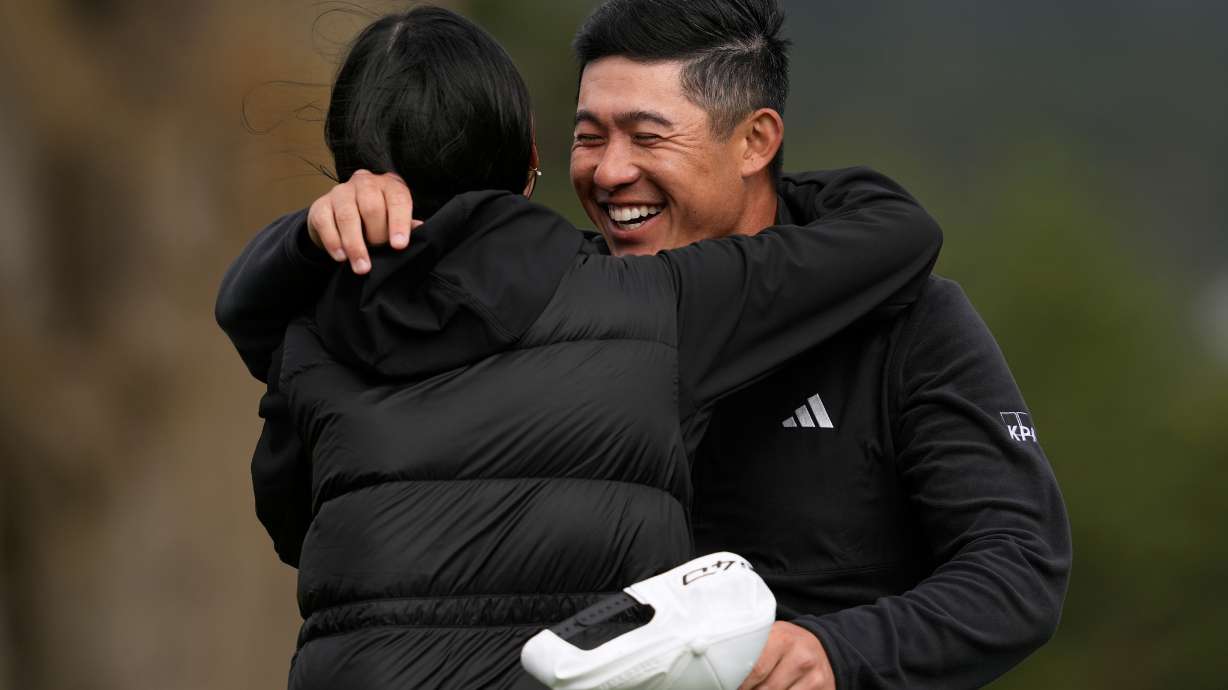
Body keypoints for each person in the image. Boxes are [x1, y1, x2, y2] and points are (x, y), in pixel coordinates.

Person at [218, 1, 1072, 688]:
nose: (609, 170)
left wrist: (835, 652)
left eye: (647, 135)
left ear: (755, 141)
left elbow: (1018, 567)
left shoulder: (906, 320)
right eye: (589, 136)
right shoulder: (564, 306)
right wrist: (324, 232)